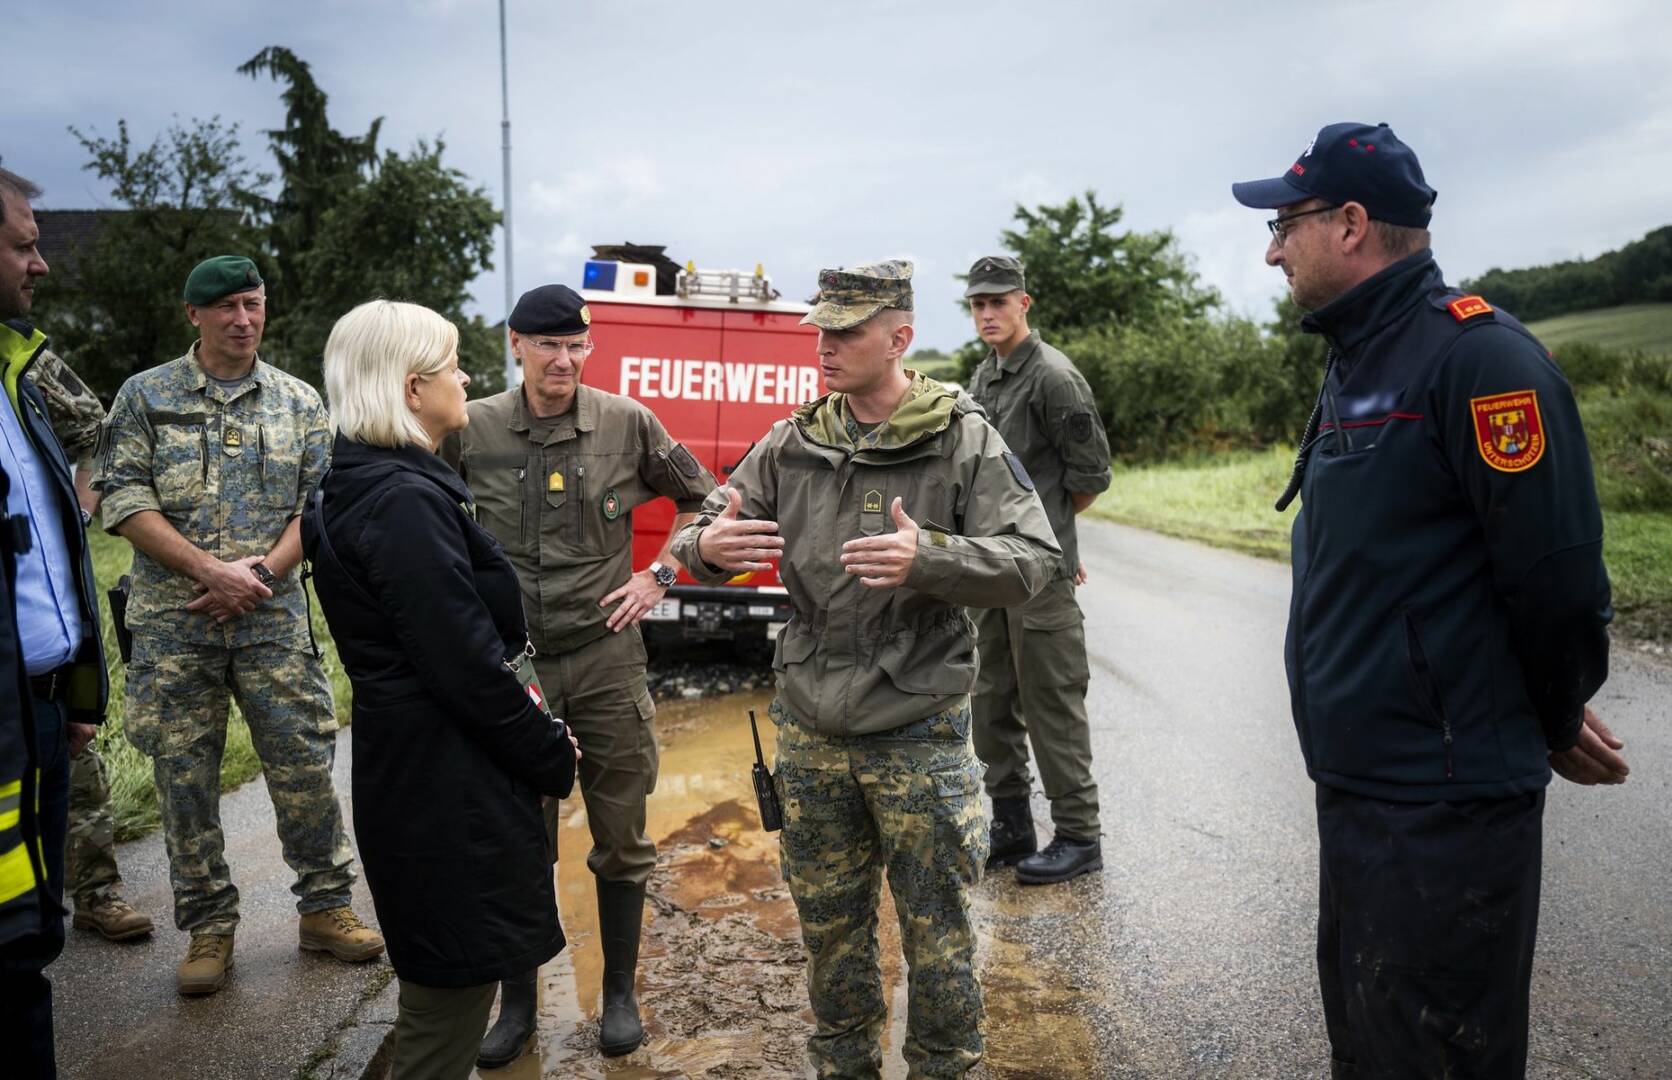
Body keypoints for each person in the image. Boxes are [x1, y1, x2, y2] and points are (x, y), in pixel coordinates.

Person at [1232, 122, 1627, 1079]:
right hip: (1367, 787)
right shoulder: (1361, 358)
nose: (1272, 247)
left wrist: (1550, 711)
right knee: (1374, 1044)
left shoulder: (1480, 363)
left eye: (1286, 224)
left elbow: (1559, 581)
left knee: (1439, 1052)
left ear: (1352, 224)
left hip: (1446, 805)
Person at [671, 260, 1061, 1078]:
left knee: (939, 939)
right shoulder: (795, 440)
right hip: (812, 733)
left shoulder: (961, 435)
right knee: (831, 936)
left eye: (847, 330)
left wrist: (934, 557)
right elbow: (707, 518)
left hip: (918, 729)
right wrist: (703, 549)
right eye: (821, 328)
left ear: (899, 338)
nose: (826, 344)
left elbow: (1033, 559)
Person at [303, 299, 580, 1080]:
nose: (467, 377)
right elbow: (463, 665)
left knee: (443, 990)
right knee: (445, 1009)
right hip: (442, 785)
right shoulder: (401, 502)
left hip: (425, 772)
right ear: (412, 387)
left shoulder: (370, 483)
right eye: (454, 364)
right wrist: (550, 753)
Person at [440, 282, 715, 1064]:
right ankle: (518, 1002)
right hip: (511, 667)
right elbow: (425, 510)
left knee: (621, 835)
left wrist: (660, 573)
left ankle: (618, 993)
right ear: (514, 344)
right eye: (547, 345)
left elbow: (708, 499)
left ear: (589, 347)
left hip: (604, 658)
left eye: (576, 345)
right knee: (515, 837)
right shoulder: (473, 427)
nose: (563, 360)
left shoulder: (627, 423)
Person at [94, 255, 381, 995]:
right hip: (175, 625)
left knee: (304, 767)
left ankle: (324, 910)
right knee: (184, 780)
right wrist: (208, 571)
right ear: (194, 314)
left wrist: (259, 575)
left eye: (252, 304)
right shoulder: (145, 397)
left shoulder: (297, 401)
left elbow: (317, 506)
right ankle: (209, 929)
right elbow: (122, 499)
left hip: (272, 621)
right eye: (224, 306)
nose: (241, 319)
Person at [0, 165, 109, 1078]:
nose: (41, 264)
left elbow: (46, 550)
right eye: (24, 244)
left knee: (28, 940)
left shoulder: (22, 377)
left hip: (40, 711)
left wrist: (72, 686)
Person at [962, 255, 1112, 884]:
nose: (988, 313)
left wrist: (1055, 546)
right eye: (978, 304)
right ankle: (1012, 823)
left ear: (1025, 303)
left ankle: (1079, 835)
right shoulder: (986, 375)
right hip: (990, 568)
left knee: (1050, 699)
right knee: (990, 697)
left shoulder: (1055, 378)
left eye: (999, 301)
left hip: (1039, 574)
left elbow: (1088, 479)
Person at [25, 350, 154, 941]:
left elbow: (96, 434)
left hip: (37, 591)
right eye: (24, 248)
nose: (41, 264)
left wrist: (72, 518)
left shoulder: (23, 358)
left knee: (70, 737)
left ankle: (97, 893)